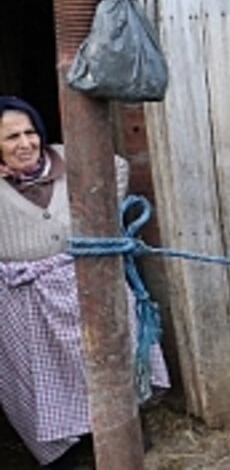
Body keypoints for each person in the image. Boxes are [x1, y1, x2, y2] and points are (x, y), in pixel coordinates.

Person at [0, 95, 170, 470]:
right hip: (24, 294)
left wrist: (94, 204)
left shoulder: (67, 164)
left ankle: (119, 432)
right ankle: (65, 452)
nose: (25, 144)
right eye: (11, 137)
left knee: (104, 361)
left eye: (30, 133)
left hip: (84, 279)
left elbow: (117, 165)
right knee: (40, 378)